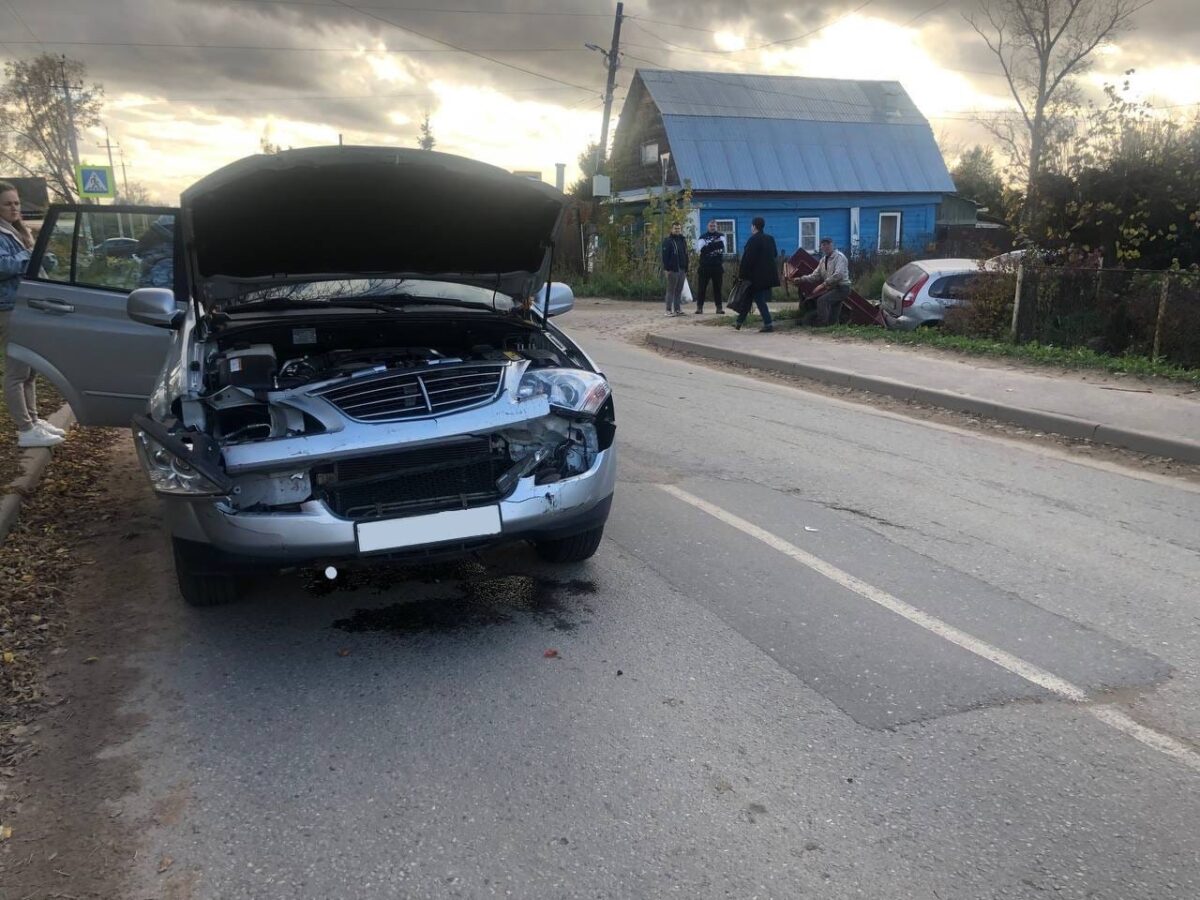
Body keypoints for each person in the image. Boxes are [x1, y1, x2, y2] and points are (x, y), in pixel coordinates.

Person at [0, 181, 64, 448]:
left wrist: (44, 258)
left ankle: (34, 421)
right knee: (16, 371)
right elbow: (3, 265)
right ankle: (25, 429)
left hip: (24, 304)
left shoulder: (16, 230)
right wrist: (30, 256)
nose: (15, 208)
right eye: (7, 203)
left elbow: (28, 261)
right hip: (8, 308)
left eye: (16, 203)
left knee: (29, 369)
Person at [734, 217, 780, 332]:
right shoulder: (770, 239)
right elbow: (774, 254)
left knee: (759, 299)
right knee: (748, 298)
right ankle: (739, 322)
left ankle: (768, 323)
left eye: (751, 225)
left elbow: (747, 259)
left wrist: (742, 275)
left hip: (755, 277)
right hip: (767, 275)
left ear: (754, 226)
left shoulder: (753, 240)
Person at [799, 237, 851, 327]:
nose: (825, 247)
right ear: (821, 247)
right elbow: (815, 275)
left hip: (842, 288)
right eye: (823, 245)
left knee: (822, 301)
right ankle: (832, 327)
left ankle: (821, 324)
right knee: (833, 314)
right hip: (833, 288)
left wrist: (823, 285)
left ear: (832, 245)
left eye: (828, 245)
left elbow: (839, 275)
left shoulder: (840, 257)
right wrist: (801, 279)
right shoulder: (823, 260)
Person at [695, 219, 726, 314]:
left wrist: (709, 246)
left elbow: (722, 245)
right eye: (711, 226)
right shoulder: (702, 237)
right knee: (701, 288)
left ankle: (719, 308)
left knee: (718, 288)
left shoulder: (721, 236)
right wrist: (715, 245)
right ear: (707, 226)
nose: (712, 227)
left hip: (717, 266)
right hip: (705, 266)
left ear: (716, 227)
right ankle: (699, 307)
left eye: (714, 226)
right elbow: (702, 250)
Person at [660, 220, 689, 317]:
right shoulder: (668, 241)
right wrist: (666, 269)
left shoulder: (683, 240)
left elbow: (686, 254)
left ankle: (677, 309)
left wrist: (686, 267)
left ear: (681, 229)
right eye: (675, 228)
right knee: (671, 290)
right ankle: (668, 310)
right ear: (671, 229)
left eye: (679, 228)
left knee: (679, 290)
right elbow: (665, 257)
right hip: (672, 270)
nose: (677, 230)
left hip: (682, 268)